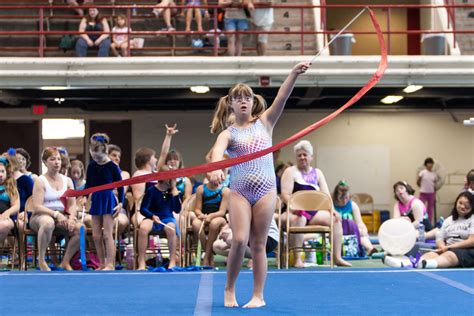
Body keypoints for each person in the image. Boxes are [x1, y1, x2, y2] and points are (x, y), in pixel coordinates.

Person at [207, 62, 310, 308]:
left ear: (253, 102)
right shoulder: (228, 133)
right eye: (238, 98)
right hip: (240, 192)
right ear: (231, 104)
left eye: (247, 97)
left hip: (265, 191)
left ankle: (258, 296)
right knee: (240, 240)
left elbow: (283, 97)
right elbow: (217, 154)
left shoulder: (265, 123)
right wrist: (218, 169)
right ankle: (229, 289)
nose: (243, 101)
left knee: (259, 244)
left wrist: (293, 73)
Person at [280, 140, 351, 268]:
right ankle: (298, 259)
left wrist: (332, 210)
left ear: (311, 157)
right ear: (296, 157)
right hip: (293, 212)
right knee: (300, 219)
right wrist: (295, 207)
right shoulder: (290, 171)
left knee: (335, 220)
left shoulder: (318, 173)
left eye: (305, 154)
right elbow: (285, 195)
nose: (302, 157)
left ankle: (337, 258)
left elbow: (326, 196)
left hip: (313, 213)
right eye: (299, 155)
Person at [30, 147, 83, 271]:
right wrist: (55, 214)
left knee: (80, 228)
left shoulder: (68, 180)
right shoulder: (40, 180)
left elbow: (72, 204)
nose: (57, 162)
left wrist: (71, 218)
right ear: (45, 162)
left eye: (58, 159)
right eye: (52, 159)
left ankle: (65, 261)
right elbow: (37, 206)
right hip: (41, 215)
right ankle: (42, 260)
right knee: (48, 223)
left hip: (62, 216)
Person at [85, 133, 124, 270]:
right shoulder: (91, 166)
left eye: (98, 157)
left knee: (107, 234)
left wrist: (121, 203)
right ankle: (101, 263)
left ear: (105, 152)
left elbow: (120, 186)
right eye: (93, 156)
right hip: (96, 198)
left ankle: (110, 263)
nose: (95, 159)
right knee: (96, 235)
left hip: (108, 199)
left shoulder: (112, 166)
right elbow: (88, 184)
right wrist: (83, 197)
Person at [138, 166, 181, 270]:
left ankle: (172, 261)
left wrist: (175, 194)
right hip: (152, 217)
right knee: (143, 228)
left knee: (171, 228)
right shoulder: (151, 190)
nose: (171, 179)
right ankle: (142, 261)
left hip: (167, 218)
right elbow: (143, 208)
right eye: (169, 176)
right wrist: (152, 216)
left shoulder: (172, 192)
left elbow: (177, 210)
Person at [418, 191, 474, 269]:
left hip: (466, 251)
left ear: (472, 207)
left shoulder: (472, 219)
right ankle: (414, 263)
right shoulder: (448, 220)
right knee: (430, 254)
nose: (462, 207)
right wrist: (441, 247)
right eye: (460, 203)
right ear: (456, 202)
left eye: (467, 205)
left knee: (450, 255)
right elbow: (440, 237)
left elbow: (472, 241)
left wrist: (450, 247)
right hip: (447, 249)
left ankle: (428, 264)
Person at [192, 173, 229, 266]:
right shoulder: (201, 189)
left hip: (219, 218)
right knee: (196, 224)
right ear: (207, 176)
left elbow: (222, 211)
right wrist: (201, 215)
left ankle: (206, 257)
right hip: (204, 216)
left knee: (214, 223)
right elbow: (197, 209)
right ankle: (210, 256)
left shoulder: (225, 191)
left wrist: (211, 216)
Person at [213, 216, 279, 268]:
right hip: (250, 236)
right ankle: (242, 257)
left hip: (268, 238)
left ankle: (258, 258)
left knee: (231, 238)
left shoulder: (254, 202)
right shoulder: (236, 204)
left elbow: (250, 227)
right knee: (216, 246)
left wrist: (230, 238)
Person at [332, 180, 377, 256]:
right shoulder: (331, 206)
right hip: (336, 234)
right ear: (336, 196)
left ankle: (370, 249)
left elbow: (360, 223)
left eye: (346, 197)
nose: (344, 200)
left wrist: (363, 230)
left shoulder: (353, 205)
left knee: (362, 236)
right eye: (341, 198)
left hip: (351, 234)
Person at [107, 144, 130, 236]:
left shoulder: (124, 174)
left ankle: (112, 243)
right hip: (100, 209)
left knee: (122, 222)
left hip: (117, 209)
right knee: (87, 220)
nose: (117, 158)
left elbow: (120, 191)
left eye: (119, 156)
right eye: (114, 155)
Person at [0, 155, 20, 246]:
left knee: (4, 225)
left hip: (6, 217)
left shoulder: (11, 187)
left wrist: (7, 213)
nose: (0, 174)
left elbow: (16, 206)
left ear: (7, 172)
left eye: (2, 171)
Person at [417, 157, 439, 225]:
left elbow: (435, 184)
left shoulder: (434, 174)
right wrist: (422, 187)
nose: (430, 165)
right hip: (423, 193)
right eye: (428, 163)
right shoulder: (422, 172)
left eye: (431, 163)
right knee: (421, 208)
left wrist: (434, 193)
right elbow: (418, 182)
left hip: (431, 194)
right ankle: (420, 222)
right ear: (426, 164)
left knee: (430, 210)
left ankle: (428, 224)